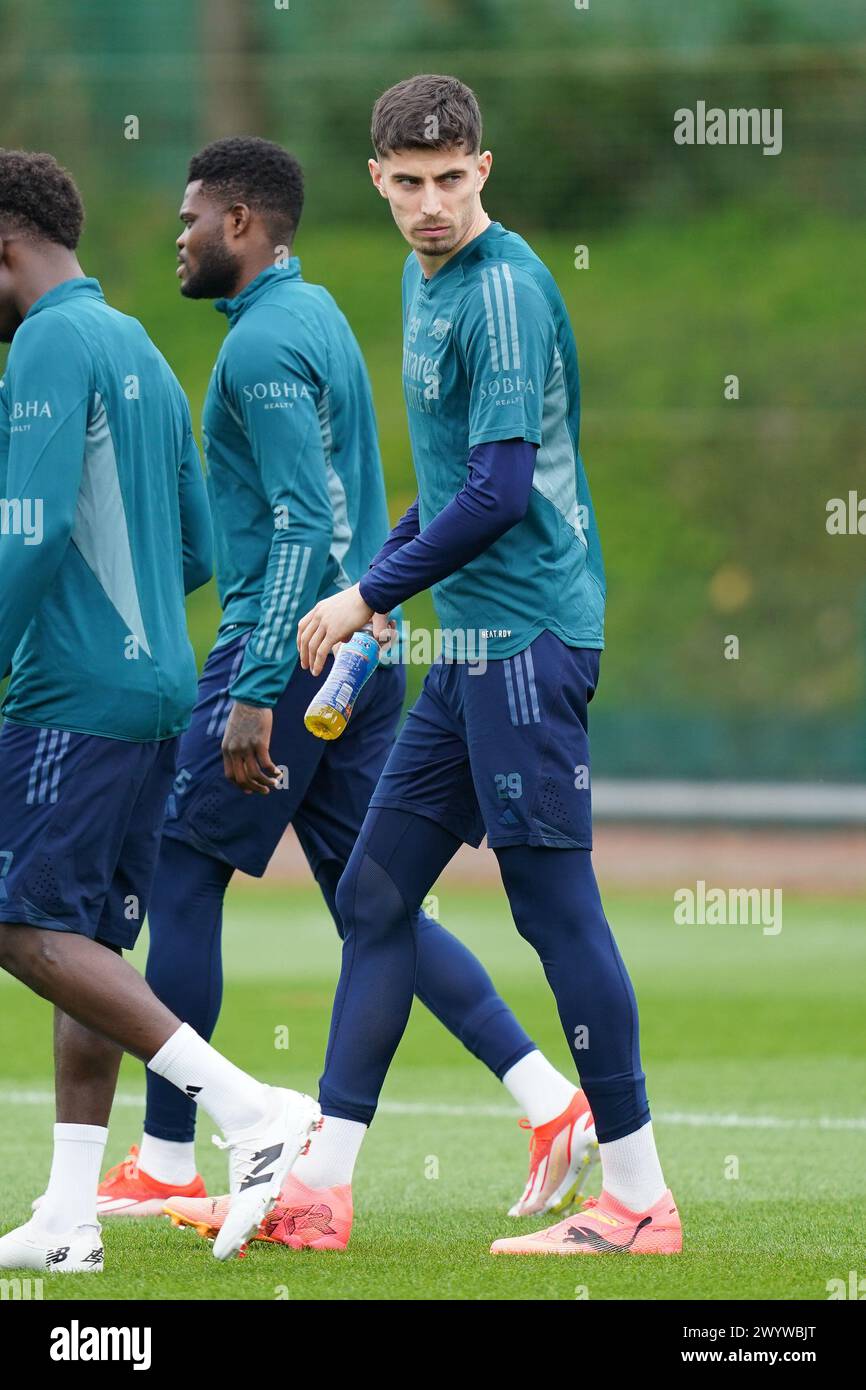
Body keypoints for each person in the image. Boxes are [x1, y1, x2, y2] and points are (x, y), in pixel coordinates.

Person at [80, 138, 597, 1248]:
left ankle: (171, 1157)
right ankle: (545, 1096)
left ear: (245, 225)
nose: (178, 237)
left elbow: (299, 527)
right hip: (360, 646)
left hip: (297, 641)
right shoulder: (311, 315)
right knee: (370, 896)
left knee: (179, 870)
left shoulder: (261, 345)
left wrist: (258, 683)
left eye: (193, 219)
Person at [293, 75, 682, 1256]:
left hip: (524, 641)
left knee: (550, 903)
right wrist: (383, 585)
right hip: (468, 640)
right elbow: (456, 483)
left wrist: (369, 591)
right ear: (376, 178)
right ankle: (319, 1190)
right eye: (406, 183)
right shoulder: (427, 278)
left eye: (448, 179)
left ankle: (637, 1197)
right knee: (371, 894)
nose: (427, 203)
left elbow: (504, 493)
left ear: (483, 168)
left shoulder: (501, 290)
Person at [0, 149, 317, 1272]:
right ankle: (69, 1212)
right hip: (161, 689)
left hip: (72, 695)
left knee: (20, 925)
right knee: (79, 937)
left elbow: (29, 528)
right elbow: (194, 546)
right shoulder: (136, 343)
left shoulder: (45, 342)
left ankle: (248, 1110)